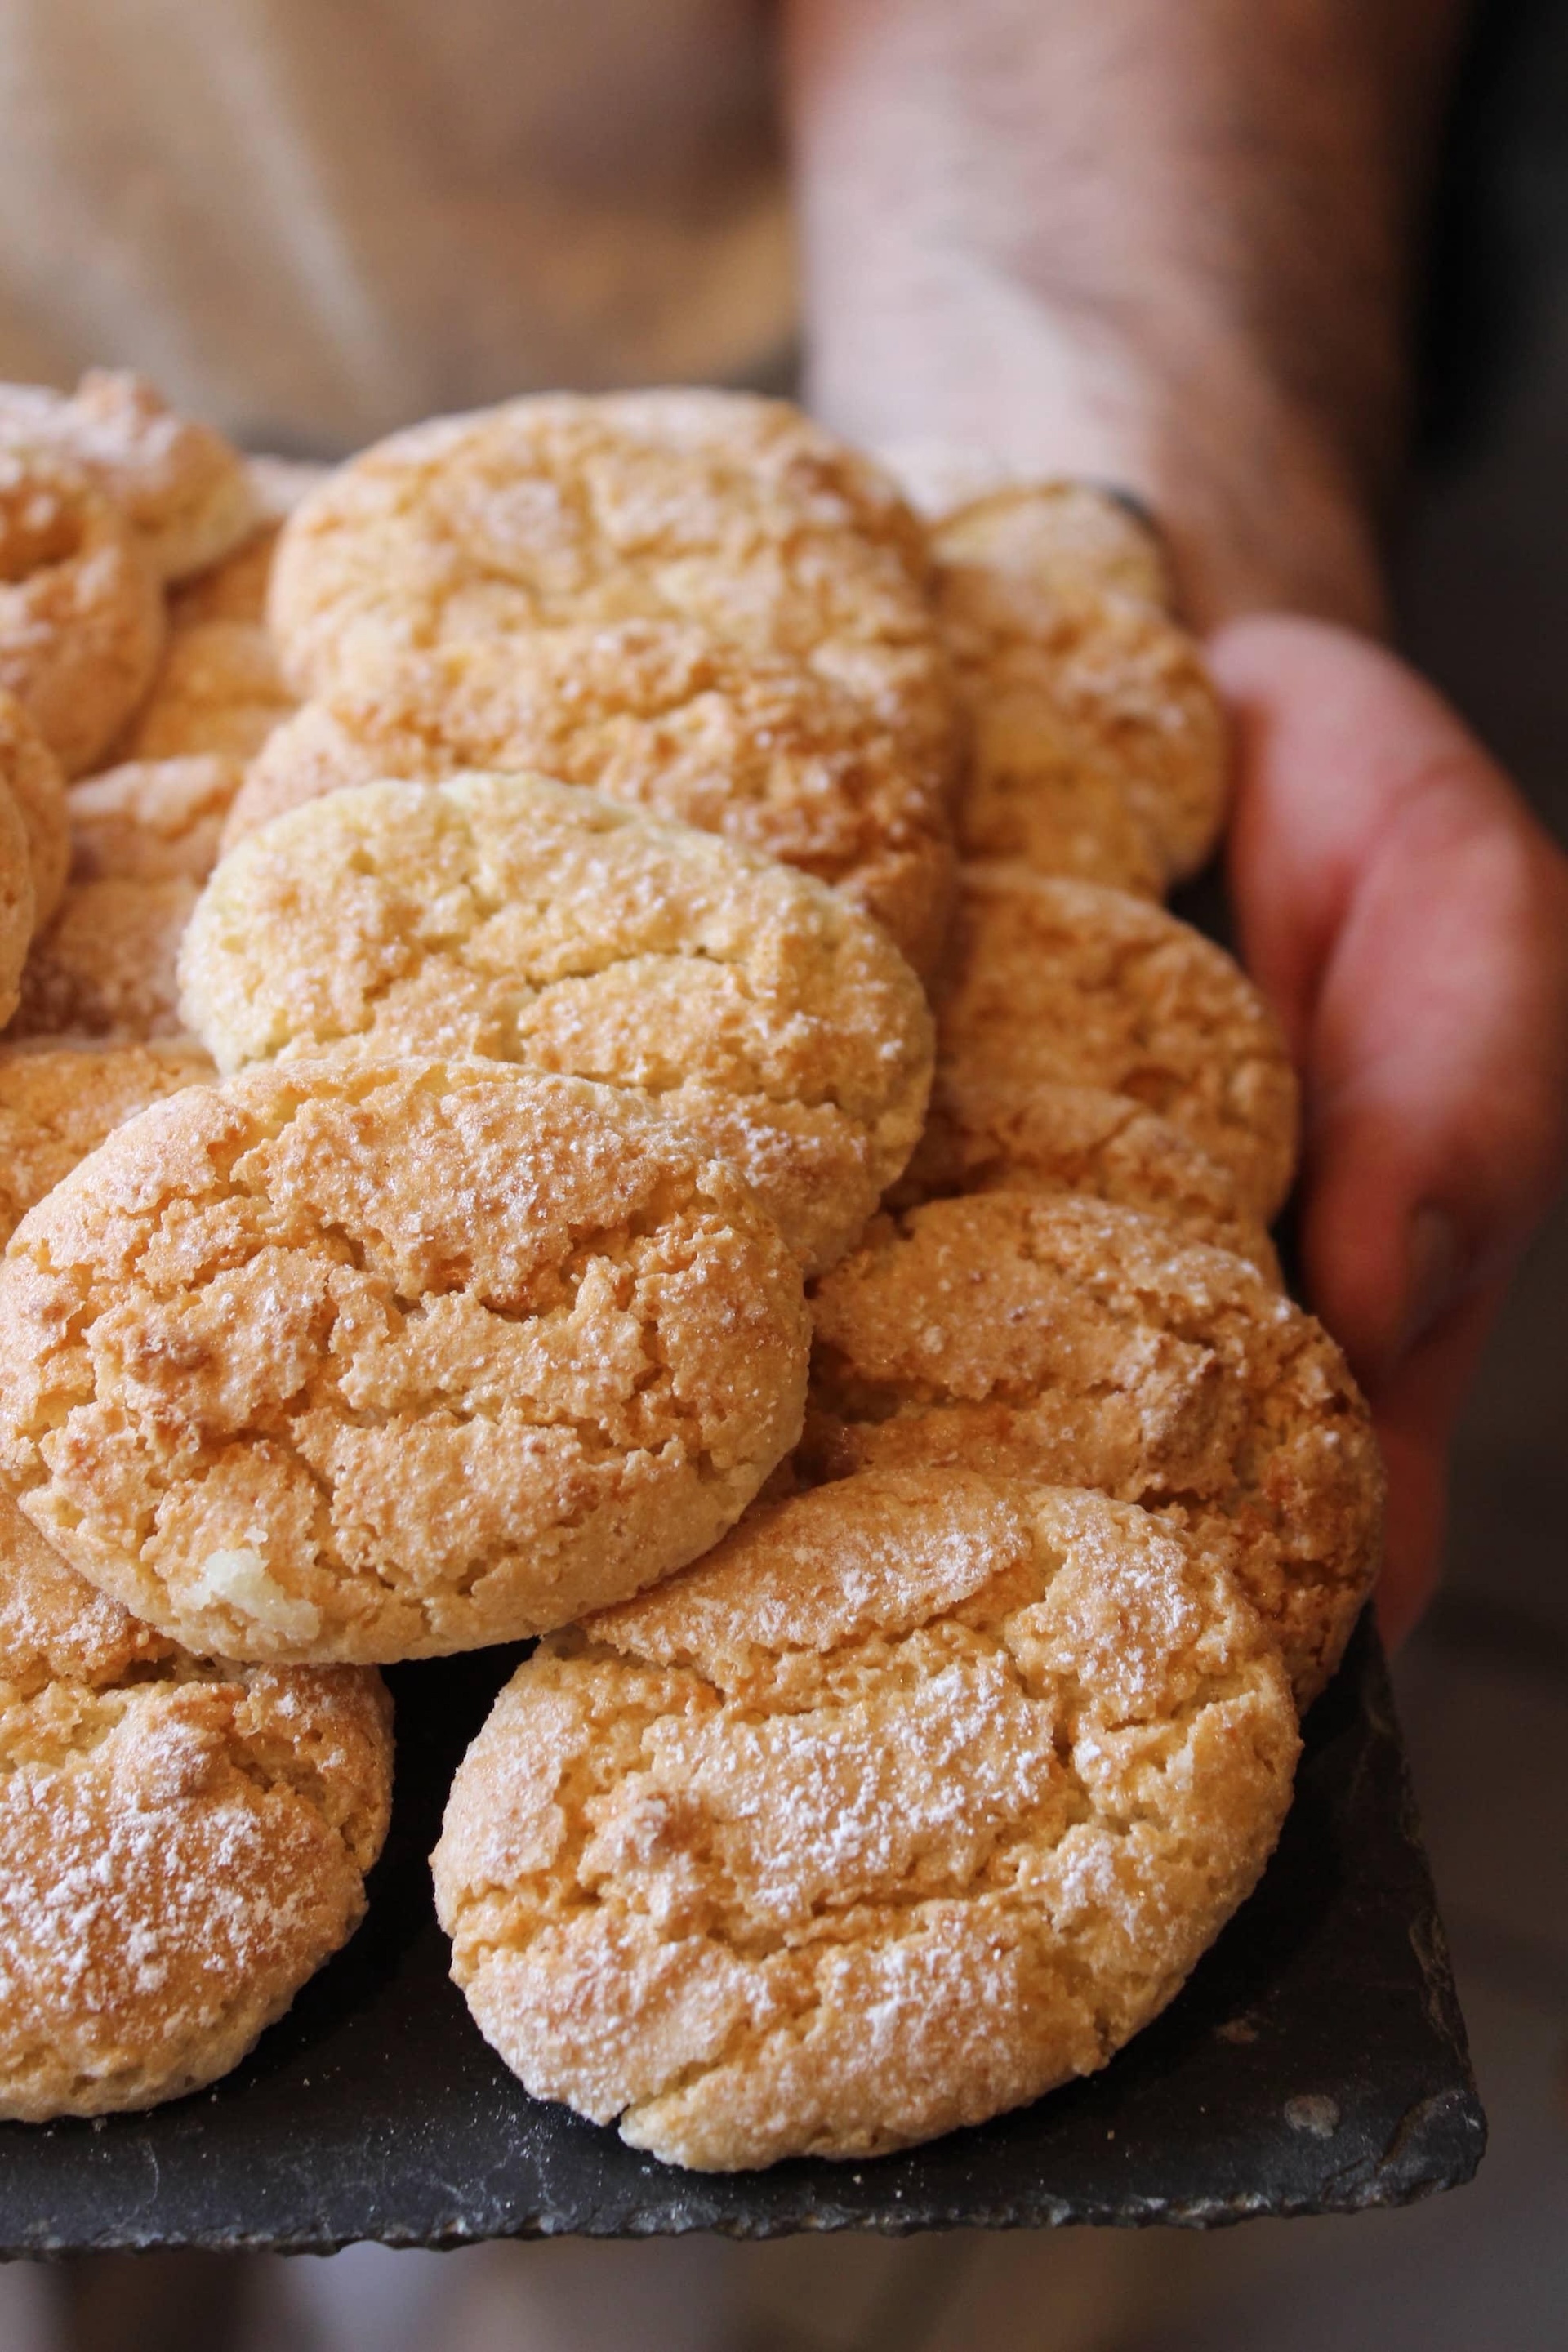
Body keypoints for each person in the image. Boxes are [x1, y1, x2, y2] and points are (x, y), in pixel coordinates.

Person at [1, 4, 1565, 2347]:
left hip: (852, 384)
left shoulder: (703, 1012)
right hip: (98, 468)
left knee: (609, 2290)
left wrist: (1155, 493)